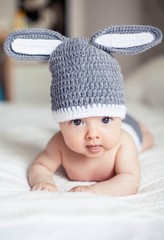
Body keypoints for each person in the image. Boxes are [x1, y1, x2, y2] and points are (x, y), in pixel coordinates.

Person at [4, 25, 162, 196]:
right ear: (61, 122)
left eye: (106, 119)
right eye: (77, 121)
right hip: (110, 124)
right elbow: (40, 166)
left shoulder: (124, 143)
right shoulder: (59, 144)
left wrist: (95, 190)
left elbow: (130, 180)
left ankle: (133, 124)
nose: (92, 134)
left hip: (130, 127)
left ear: (117, 117)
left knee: (145, 139)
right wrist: (43, 180)